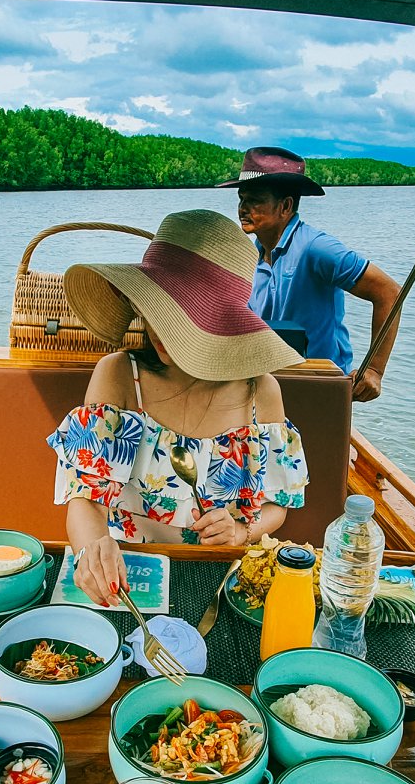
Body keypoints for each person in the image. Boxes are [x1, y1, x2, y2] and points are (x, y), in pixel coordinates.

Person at [46, 209, 311, 607]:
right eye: (157, 308)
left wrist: (241, 531)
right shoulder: (119, 375)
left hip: (220, 582)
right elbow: (86, 498)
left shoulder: (261, 392)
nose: (160, 328)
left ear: (225, 325)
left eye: (185, 316)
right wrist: (92, 548)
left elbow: (278, 504)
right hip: (128, 577)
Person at [219, 146, 402, 402]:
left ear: (285, 206)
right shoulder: (252, 253)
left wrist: (374, 370)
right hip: (269, 384)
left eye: (255, 200)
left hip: (319, 384)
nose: (243, 208)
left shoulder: (316, 248)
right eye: (242, 199)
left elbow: (389, 293)